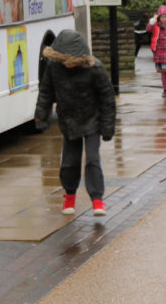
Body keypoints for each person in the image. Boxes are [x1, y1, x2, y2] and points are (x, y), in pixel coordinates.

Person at [33, 28, 116, 218]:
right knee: (70, 161)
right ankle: (69, 196)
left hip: (92, 119)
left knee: (93, 159)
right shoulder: (54, 68)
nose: (67, 65)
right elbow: (45, 93)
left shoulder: (95, 68)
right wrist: (41, 117)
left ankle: (97, 200)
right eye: (64, 61)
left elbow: (107, 99)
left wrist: (107, 127)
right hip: (69, 120)